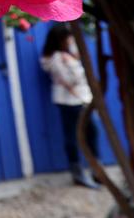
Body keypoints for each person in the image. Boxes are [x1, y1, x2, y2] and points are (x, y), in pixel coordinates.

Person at [40, 24, 100, 189]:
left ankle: (96, 170)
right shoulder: (58, 58)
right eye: (68, 37)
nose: (70, 40)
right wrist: (73, 62)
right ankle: (79, 173)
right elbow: (70, 80)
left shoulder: (67, 53)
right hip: (70, 101)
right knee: (73, 136)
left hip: (81, 99)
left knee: (91, 132)